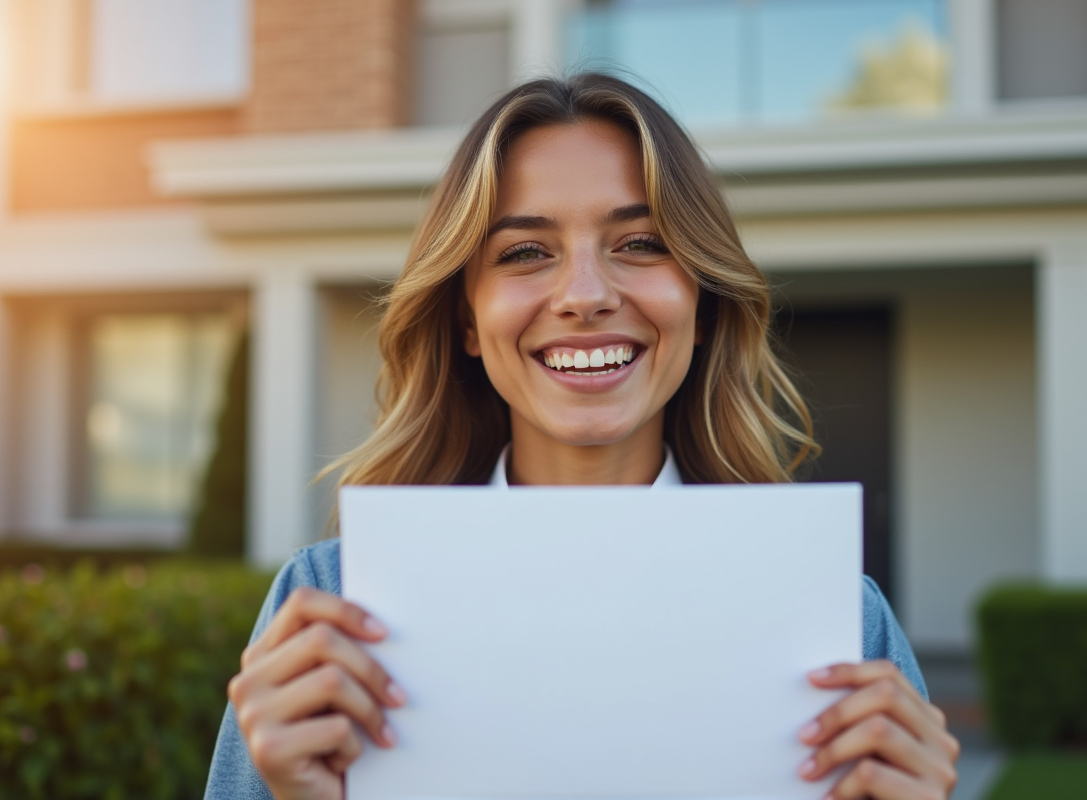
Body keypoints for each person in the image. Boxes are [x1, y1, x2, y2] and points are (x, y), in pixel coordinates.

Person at [204, 73, 960, 800]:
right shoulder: (332, 603)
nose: (587, 296)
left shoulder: (835, 618)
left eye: (640, 243)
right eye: (526, 252)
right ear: (467, 319)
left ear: (701, 302)